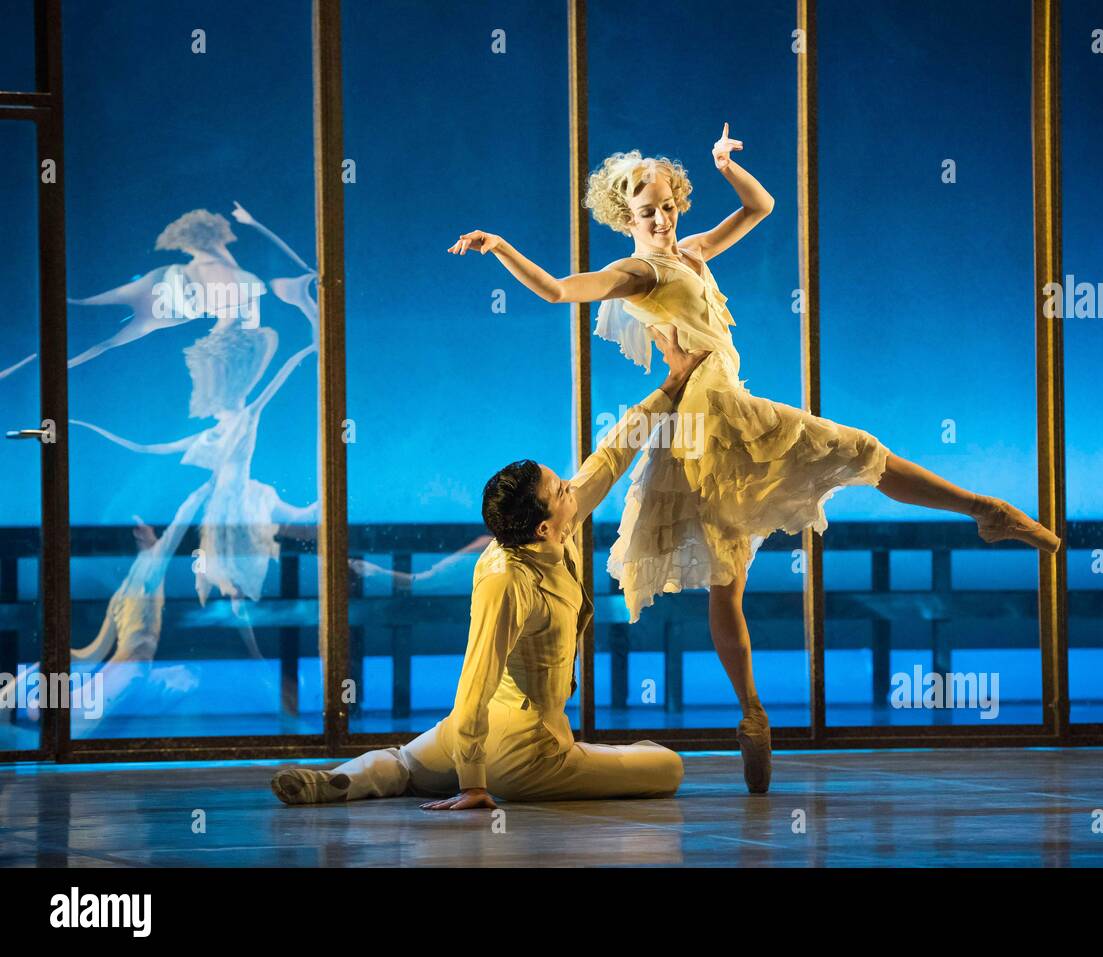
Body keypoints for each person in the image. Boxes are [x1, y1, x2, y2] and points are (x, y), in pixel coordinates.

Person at [443, 123, 1061, 795]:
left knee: (856, 454)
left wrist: (725, 164)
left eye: (668, 205)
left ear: (678, 202)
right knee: (732, 577)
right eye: (646, 212)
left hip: (728, 418)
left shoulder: (694, 252)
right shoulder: (637, 271)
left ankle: (983, 511)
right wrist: (500, 245)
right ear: (627, 217)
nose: (661, 219)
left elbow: (762, 208)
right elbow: (561, 291)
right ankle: (753, 712)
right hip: (704, 430)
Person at [271, 327, 709, 809]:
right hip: (526, 755)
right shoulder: (507, 577)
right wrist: (475, 784)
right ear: (543, 526)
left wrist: (672, 384)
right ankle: (533, 765)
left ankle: (337, 782)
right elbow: (475, 678)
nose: (571, 487)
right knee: (666, 765)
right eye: (561, 489)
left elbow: (610, 454)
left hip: (475, 730)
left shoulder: (551, 528)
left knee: (404, 763)